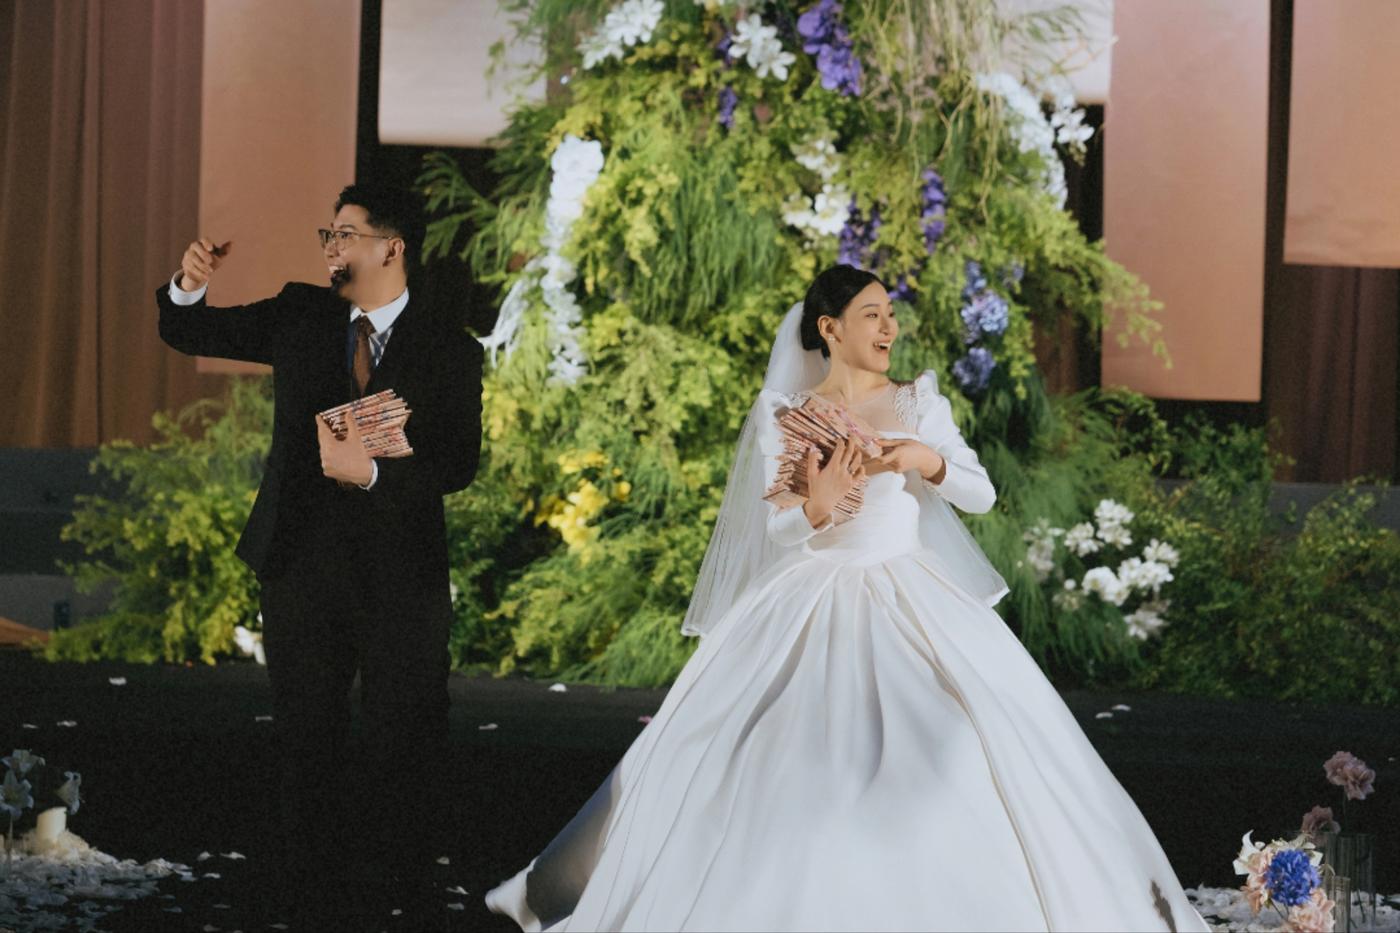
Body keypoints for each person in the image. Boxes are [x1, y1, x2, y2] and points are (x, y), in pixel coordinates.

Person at [484, 265, 1209, 932]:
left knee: (965, 742)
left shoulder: (918, 402)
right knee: (743, 755)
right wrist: (817, 506)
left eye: (890, 314)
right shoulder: (787, 411)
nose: (889, 327)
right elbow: (778, 527)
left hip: (911, 592)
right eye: (872, 315)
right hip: (809, 594)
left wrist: (924, 459)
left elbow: (981, 493)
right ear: (830, 328)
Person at [156, 183, 483, 928]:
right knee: (307, 737)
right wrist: (189, 284)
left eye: (345, 235)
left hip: (401, 575)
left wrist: (374, 473)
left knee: (403, 734)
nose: (331, 248)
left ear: (392, 248)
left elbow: (459, 463)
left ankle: (399, 892)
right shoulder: (299, 313)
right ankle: (308, 895)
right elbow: (189, 330)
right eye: (326, 235)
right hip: (302, 564)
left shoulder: (449, 346)